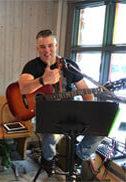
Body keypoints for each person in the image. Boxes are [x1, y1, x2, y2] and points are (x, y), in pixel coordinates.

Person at [18, 30, 104, 176]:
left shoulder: (69, 65)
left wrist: (90, 111)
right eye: (42, 47)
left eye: (50, 45)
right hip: (45, 114)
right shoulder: (32, 66)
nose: (47, 50)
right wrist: (42, 80)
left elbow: (85, 90)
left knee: (100, 128)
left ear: (56, 45)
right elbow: (22, 87)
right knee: (48, 129)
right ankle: (48, 159)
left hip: (70, 114)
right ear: (37, 48)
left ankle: (78, 157)